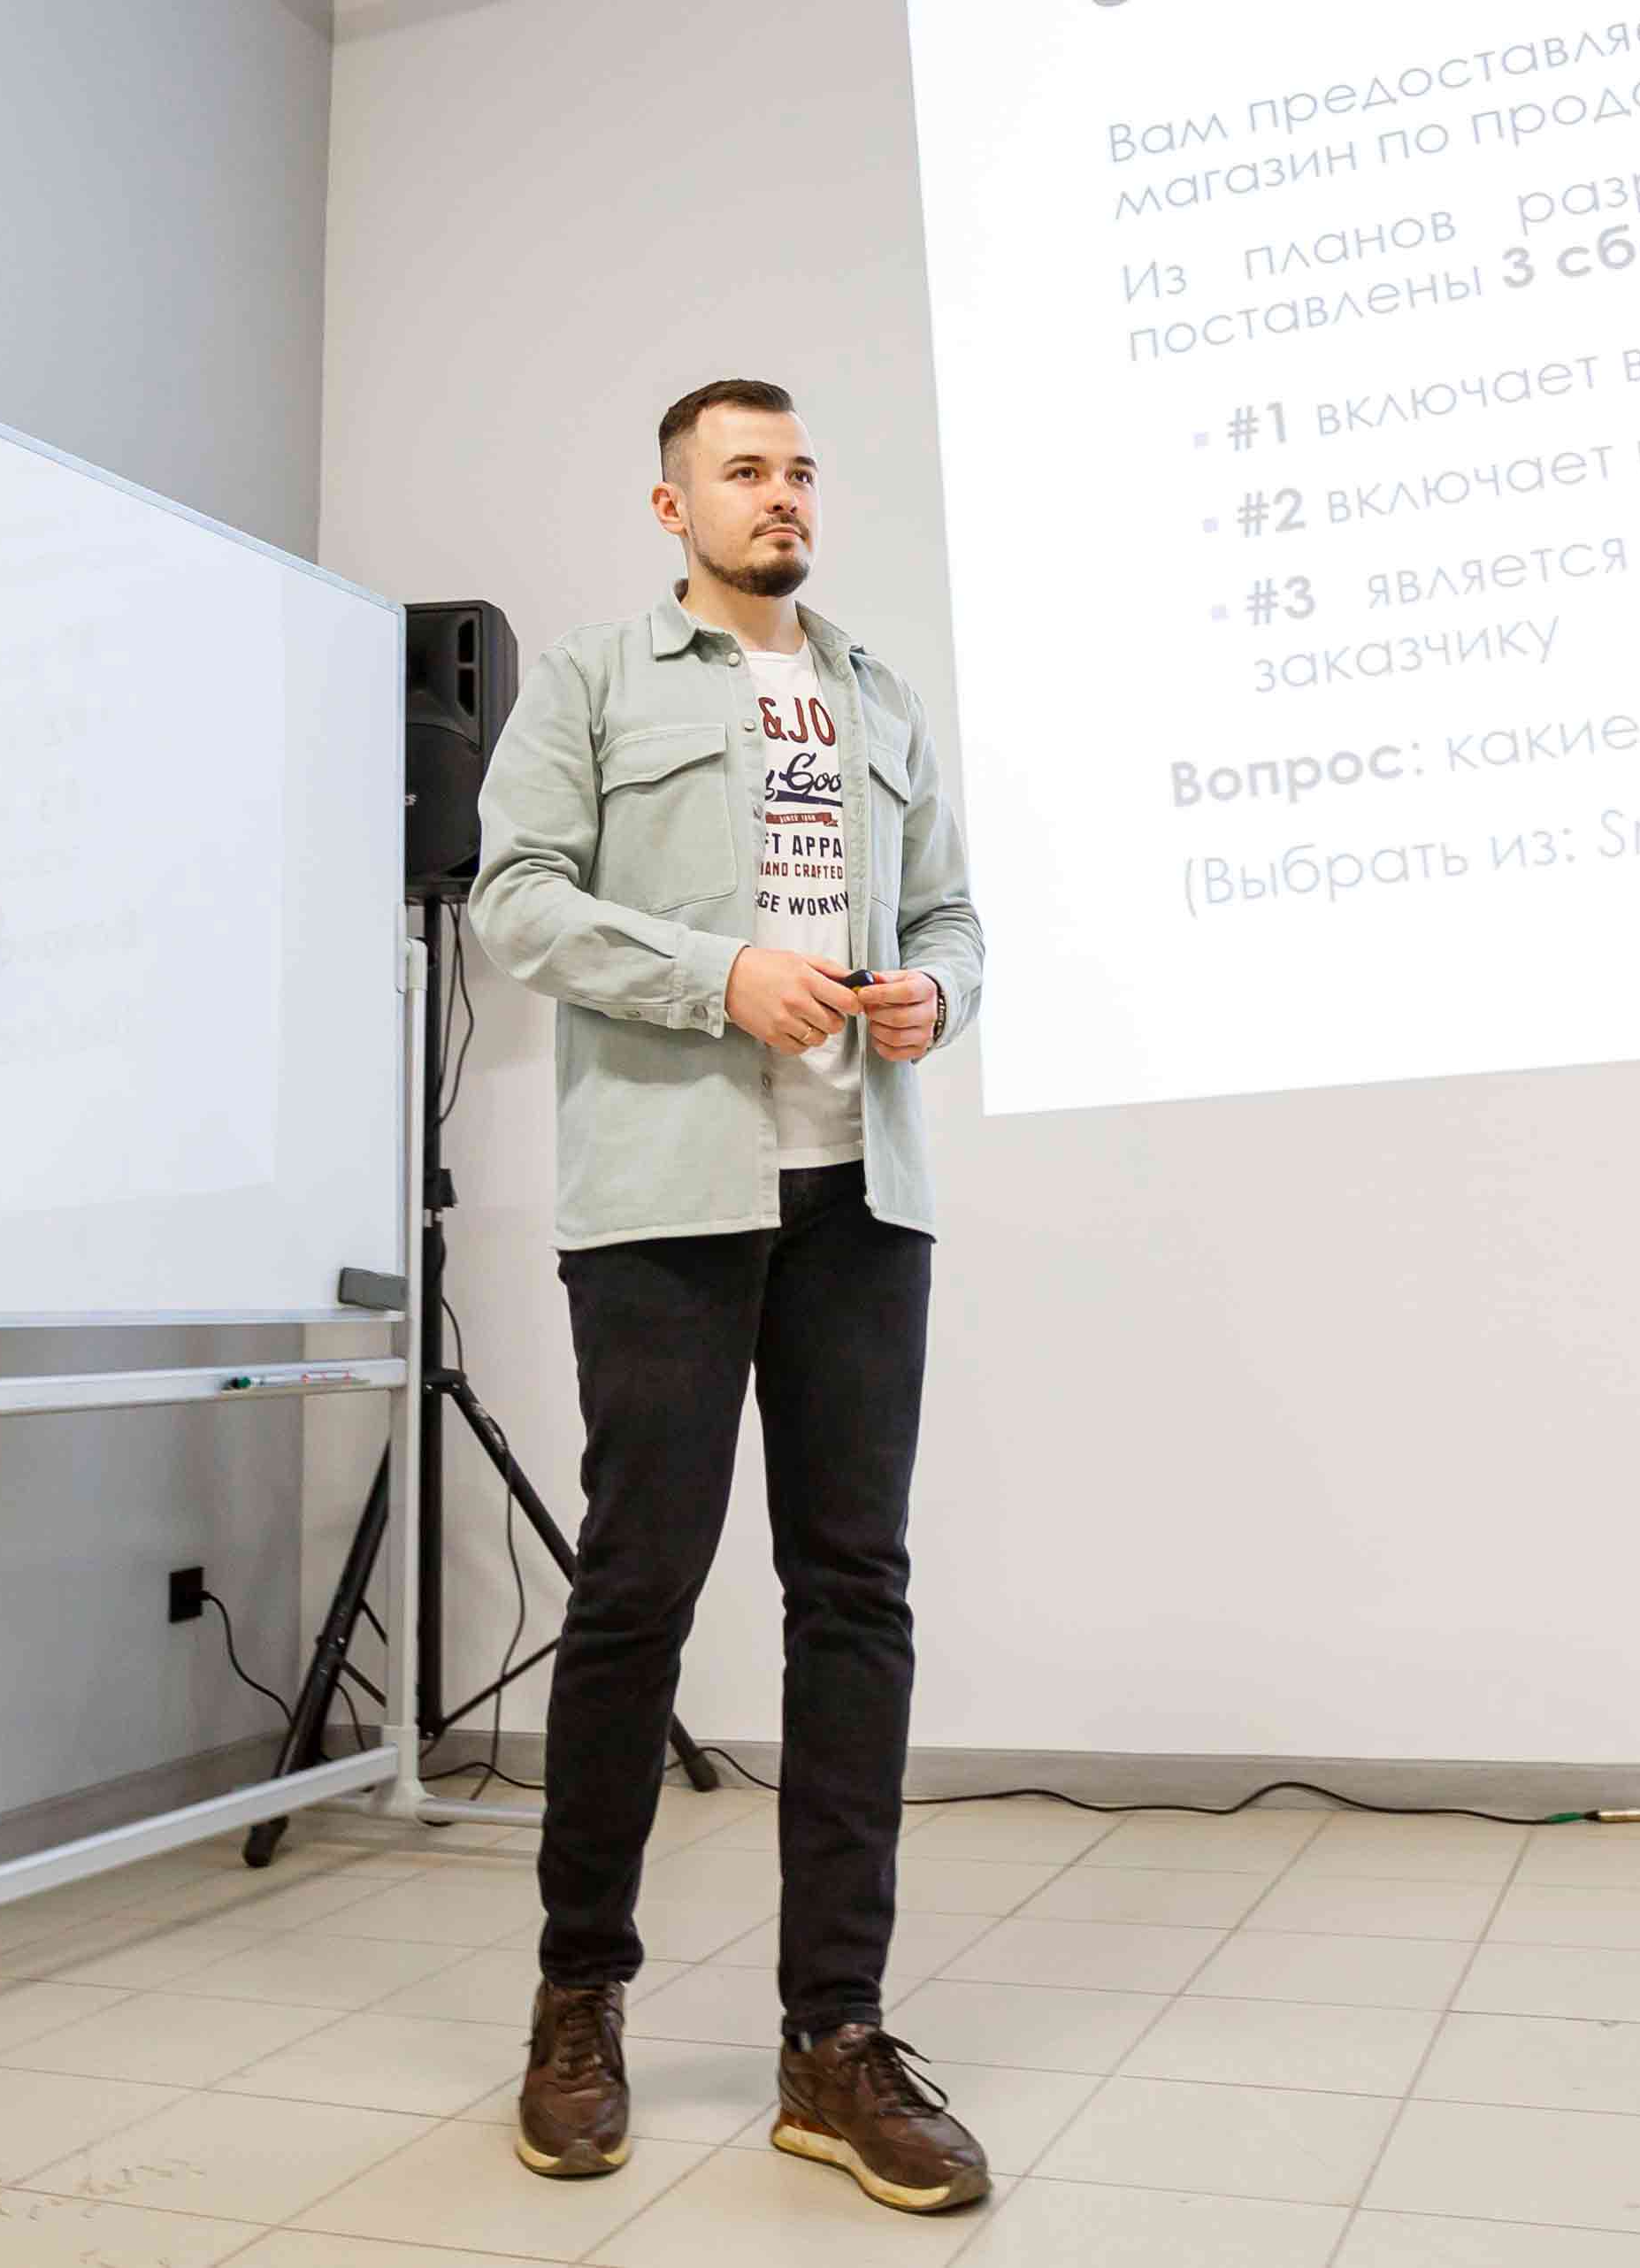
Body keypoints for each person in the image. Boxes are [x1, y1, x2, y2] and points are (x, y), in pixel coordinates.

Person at [468, 378, 989, 2214]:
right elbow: (514, 901)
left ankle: (833, 2040)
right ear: (671, 505)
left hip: (862, 1200)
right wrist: (716, 977)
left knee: (855, 1597)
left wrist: (934, 994)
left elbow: (951, 917)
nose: (783, 496)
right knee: (638, 1592)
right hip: (668, 1207)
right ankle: (577, 2003)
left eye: (798, 470)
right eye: (744, 471)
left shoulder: (877, 694)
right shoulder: (594, 682)